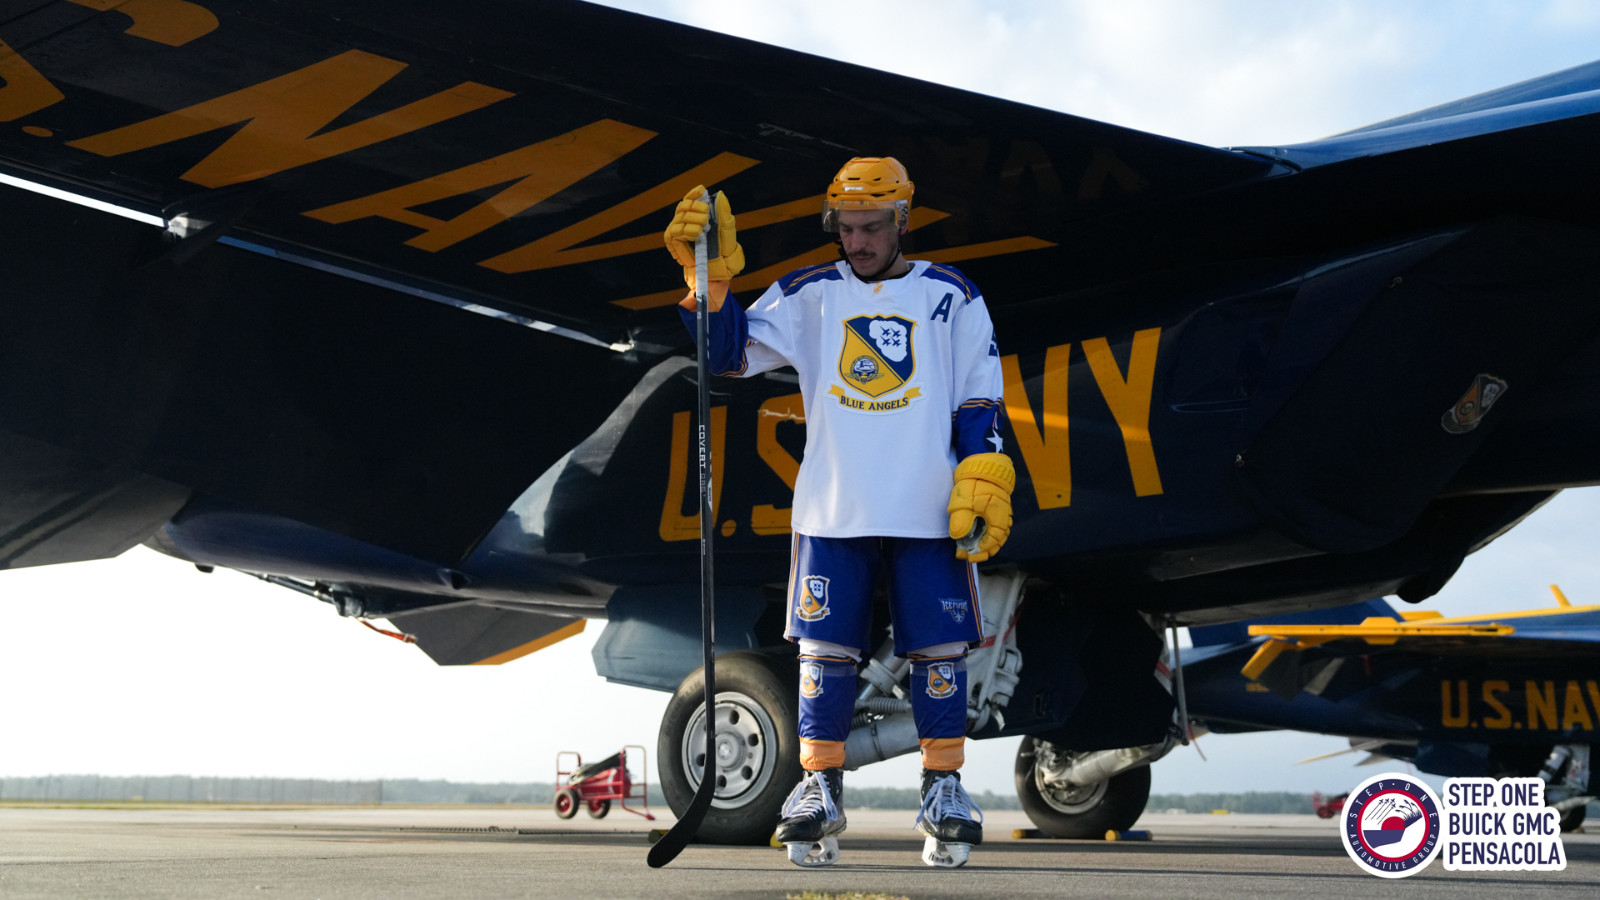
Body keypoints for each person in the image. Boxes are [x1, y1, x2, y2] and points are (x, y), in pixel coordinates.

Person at [661, 157, 1015, 868]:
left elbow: (980, 393)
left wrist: (984, 468)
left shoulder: (950, 294)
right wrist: (710, 286)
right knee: (824, 655)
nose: (857, 242)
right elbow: (726, 355)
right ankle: (818, 787)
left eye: (871, 227)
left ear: (902, 220)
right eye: (846, 228)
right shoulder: (810, 294)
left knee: (939, 652)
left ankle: (943, 787)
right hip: (832, 507)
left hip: (926, 506)